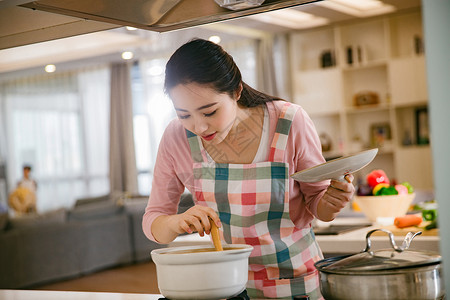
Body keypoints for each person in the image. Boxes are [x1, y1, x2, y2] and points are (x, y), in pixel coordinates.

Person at [142, 38, 355, 299]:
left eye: (209, 112)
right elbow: (153, 222)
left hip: (296, 284)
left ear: (237, 91)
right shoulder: (176, 138)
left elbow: (317, 204)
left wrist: (332, 200)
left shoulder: (288, 122)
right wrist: (175, 222)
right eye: (184, 114)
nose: (199, 127)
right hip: (226, 287)